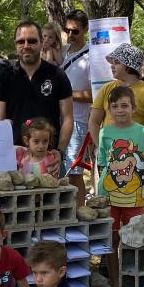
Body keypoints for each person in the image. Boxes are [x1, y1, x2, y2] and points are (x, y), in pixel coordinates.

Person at [96, 85, 144, 282]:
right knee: (111, 239)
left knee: (135, 240)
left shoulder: (143, 132)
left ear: (134, 108)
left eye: (124, 105)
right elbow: (102, 164)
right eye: (115, 106)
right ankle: (115, 281)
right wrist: (102, 195)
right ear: (109, 110)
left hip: (136, 198)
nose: (120, 110)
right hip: (110, 197)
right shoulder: (104, 133)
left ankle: (133, 281)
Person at [0, 21, 73, 150]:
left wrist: (60, 152)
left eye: (32, 41)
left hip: (49, 156)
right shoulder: (3, 77)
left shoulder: (57, 75)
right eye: (20, 42)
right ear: (15, 45)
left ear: (41, 42)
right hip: (14, 156)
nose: (26, 45)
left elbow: (67, 118)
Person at [89, 44, 144, 138]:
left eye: (116, 62)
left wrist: (135, 151)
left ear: (129, 65)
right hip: (108, 150)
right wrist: (101, 147)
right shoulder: (106, 88)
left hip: (135, 150)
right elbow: (94, 122)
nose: (112, 66)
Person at [58, 11, 92, 202]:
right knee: (58, 170)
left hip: (78, 120)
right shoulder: (62, 53)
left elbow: (95, 95)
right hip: (58, 119)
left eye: (75, 31)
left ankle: (80, 212)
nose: (70, 35)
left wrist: (68, 95)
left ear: (85, 30)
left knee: (74, 171)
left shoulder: (91, 56)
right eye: (67, 30)